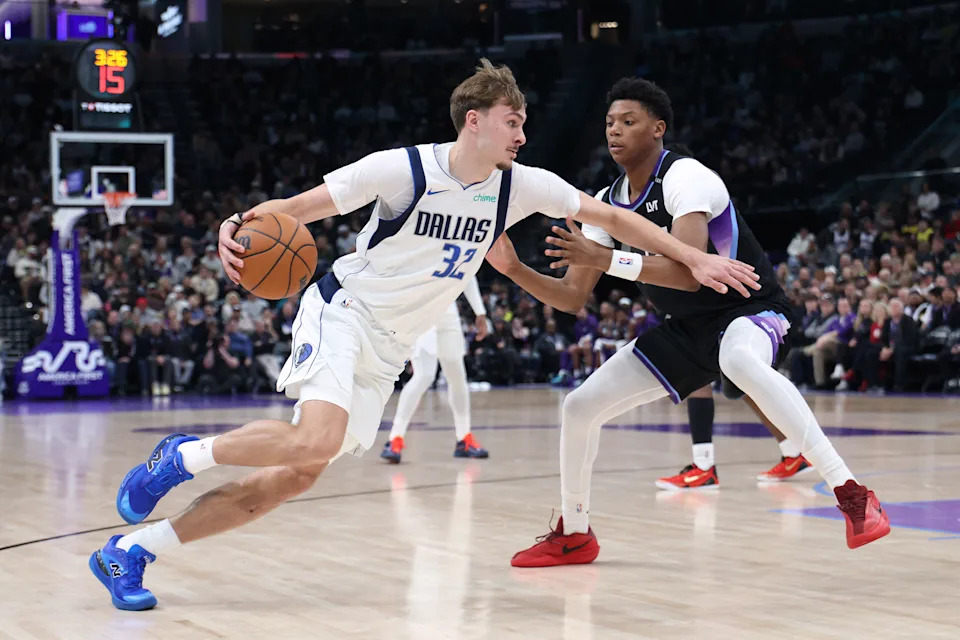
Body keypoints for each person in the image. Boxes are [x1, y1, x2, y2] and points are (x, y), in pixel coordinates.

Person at [88, 60, 758, 611]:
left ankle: (134, 552)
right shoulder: (401, 170)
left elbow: (612, 215)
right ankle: (181, 456)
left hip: (389, 350)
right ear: (476, 121)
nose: (522, 135)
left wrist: (694, 258)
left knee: (288, 480)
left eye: (524, 122)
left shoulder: (520, 186)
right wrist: (232, 225)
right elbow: (292, 212)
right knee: (315, 437)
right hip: (344, 312)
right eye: (512, 122)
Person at [487, 77, 889, 568]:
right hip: (687, 331)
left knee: (737, 358)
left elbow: (693, 271)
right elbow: (572, 297)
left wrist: (606, 259)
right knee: (578, 406)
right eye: (609, 122)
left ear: (658, 129)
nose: (614, 131)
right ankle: (575, 533)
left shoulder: (686, 177)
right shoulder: (606, 201)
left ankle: (851, 492)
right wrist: (513, 269)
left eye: (628, 121)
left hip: (748, 309)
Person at [381, 275, 491, 462]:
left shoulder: (465, 244)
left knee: (457, 377)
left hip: (448, 311)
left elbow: (469, 271)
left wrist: (480, 312)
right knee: (424, 375)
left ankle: (464, 438)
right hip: (420, 310)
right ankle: (395, 438)